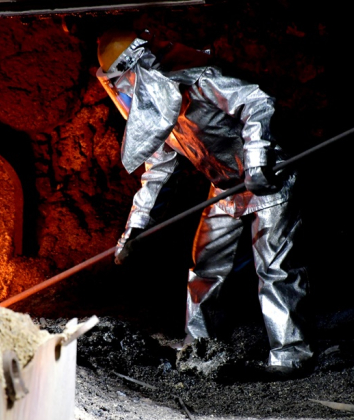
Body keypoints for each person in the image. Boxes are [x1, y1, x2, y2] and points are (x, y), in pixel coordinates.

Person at [96, 30, 313, 375]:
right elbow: (157, 172)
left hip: (267, 180)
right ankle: (199, 349)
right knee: (206, 267)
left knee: (274, 268)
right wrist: (135, 229)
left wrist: (258, 158)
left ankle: (290, 356)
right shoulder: (160, 111)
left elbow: (257, 101)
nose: (124, 94)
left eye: (124, 84)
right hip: (225, 186)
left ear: (141, 69)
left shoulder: (202, 80)